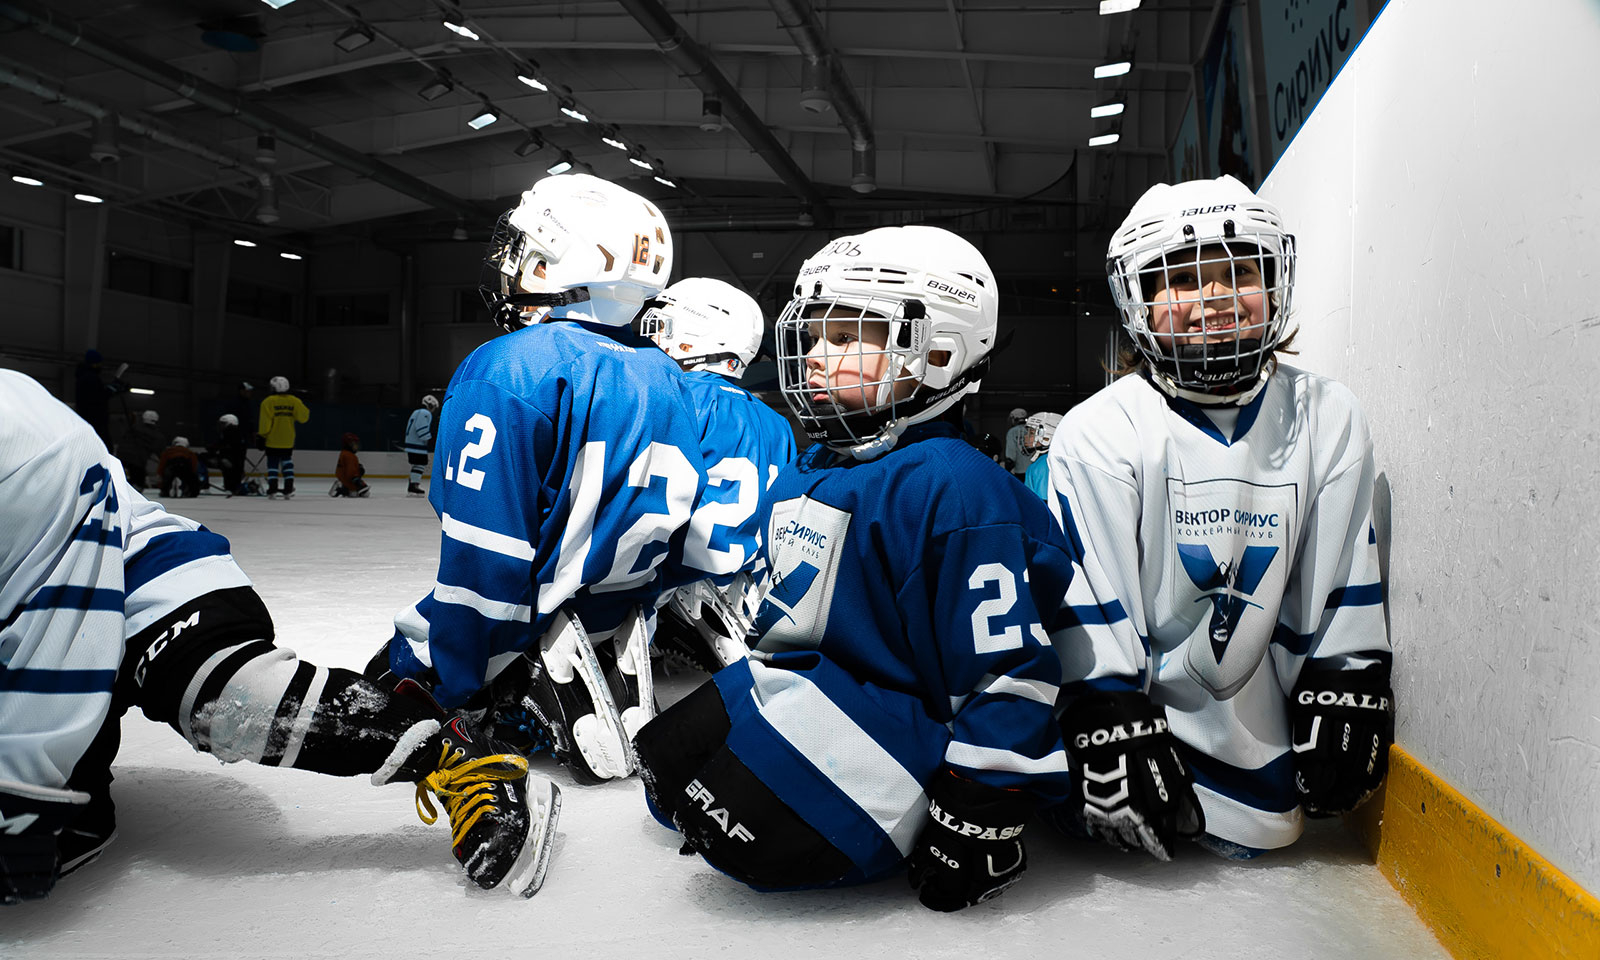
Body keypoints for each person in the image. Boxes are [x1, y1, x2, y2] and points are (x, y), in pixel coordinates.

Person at [634, 226, 1075, 912]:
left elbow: (1007, 670)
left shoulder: (952, 486)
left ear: (937, 351)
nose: (813, 357)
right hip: (815, 686)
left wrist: (983, 802)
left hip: (892, 720)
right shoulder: (826, 468)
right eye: (813, 336)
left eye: (845, 337)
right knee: (662, 769)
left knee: (738, 833)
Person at [0, 369, 561, 905]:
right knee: (64, 812)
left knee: (223, 698)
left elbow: (58, 616)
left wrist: (24, 790)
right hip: (44, 611)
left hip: (140, 573)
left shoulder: (19, 428)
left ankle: (451, 752)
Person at [1044, 174, 1392, 862]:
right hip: (1140, 749)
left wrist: (1347, 674)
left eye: (1239, 271)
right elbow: (1093, 608)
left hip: (1262, 769)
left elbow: (1340, 578)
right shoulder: (1100, 432)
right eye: (1181, 280)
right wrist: (1104, 709)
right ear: (1138, 299)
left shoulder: (1329, 413)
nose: (1215, 297)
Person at [367, 173, 709, 787]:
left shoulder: (511, 367)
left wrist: (454, 677)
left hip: (527, 621)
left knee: (380, 687)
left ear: (563, 264)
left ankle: (512, 699)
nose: (508, 263)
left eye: (524, 251)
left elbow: (485, 555)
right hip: (617, 611)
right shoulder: (668, 374)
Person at [637, 277, 797, 674]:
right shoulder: (776, 423)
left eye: (664, 323)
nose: (652, 333)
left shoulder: (674, 397)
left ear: (697, 335)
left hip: (664, 605)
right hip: (737, 609)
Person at [257, 375, 308, 499]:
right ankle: (288, 489)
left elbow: (265, 422)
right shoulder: (294, 401)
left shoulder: (268, 402)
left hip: (272, 440)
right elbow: (303, 417)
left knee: (273, 465)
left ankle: (273, 489)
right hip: (288, 439)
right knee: (287, 463)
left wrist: (262, 435)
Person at [73, 349, 119, 446]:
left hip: (88, 420)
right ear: (94, 363)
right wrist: (111, 390)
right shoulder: (90, 378)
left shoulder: (83, 377)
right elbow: (98, 398)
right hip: (95, 421)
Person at [117, 409, 165, 491]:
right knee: (138, 483)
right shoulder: (157, 436)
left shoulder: (132, 429)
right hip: (138, 461)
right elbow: (159, 451)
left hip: (121, 457)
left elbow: (123, 441)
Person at [403, 394, 439, 497]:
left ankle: (413, 485)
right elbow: (421, 427)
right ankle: (414, 486)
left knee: (418, 465)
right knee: (420, 464)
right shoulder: (425, 413)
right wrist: (428, 439)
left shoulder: (417, 412)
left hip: (412, 443)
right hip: (417, 445)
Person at [1020, 412, 1060, 501]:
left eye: (1032, 432)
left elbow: (1043, 501)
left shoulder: (1041, 465)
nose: (1026, 436)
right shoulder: (1053, 459)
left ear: (1047, 435)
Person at [213, 413, 248, 496]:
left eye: (223, 424)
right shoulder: (238, 433)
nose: (221, 426)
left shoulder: (229, 432)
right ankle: (234, 486)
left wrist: (214, 448)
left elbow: (222, 445)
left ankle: (230, 487)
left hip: (230, 461)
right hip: (236, 463)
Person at [331, 432, 370, 498]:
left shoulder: (344, 453)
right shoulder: (349, 456)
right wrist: (357, 481)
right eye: (355, 444)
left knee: (357, 492)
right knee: (364, 493)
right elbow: (351, 472)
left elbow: (342, 470)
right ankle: (342, 489)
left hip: (345, 479)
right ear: (349, 444)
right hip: (349, 481)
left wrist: (358, 468)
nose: (357, 446)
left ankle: (343, 488)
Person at [1002, 406, 1029, 478]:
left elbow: (1011, 455)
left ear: (1014, 419)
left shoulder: (1012, 432)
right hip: (1033, 470)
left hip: (1020, 472)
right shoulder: (1031, 430)